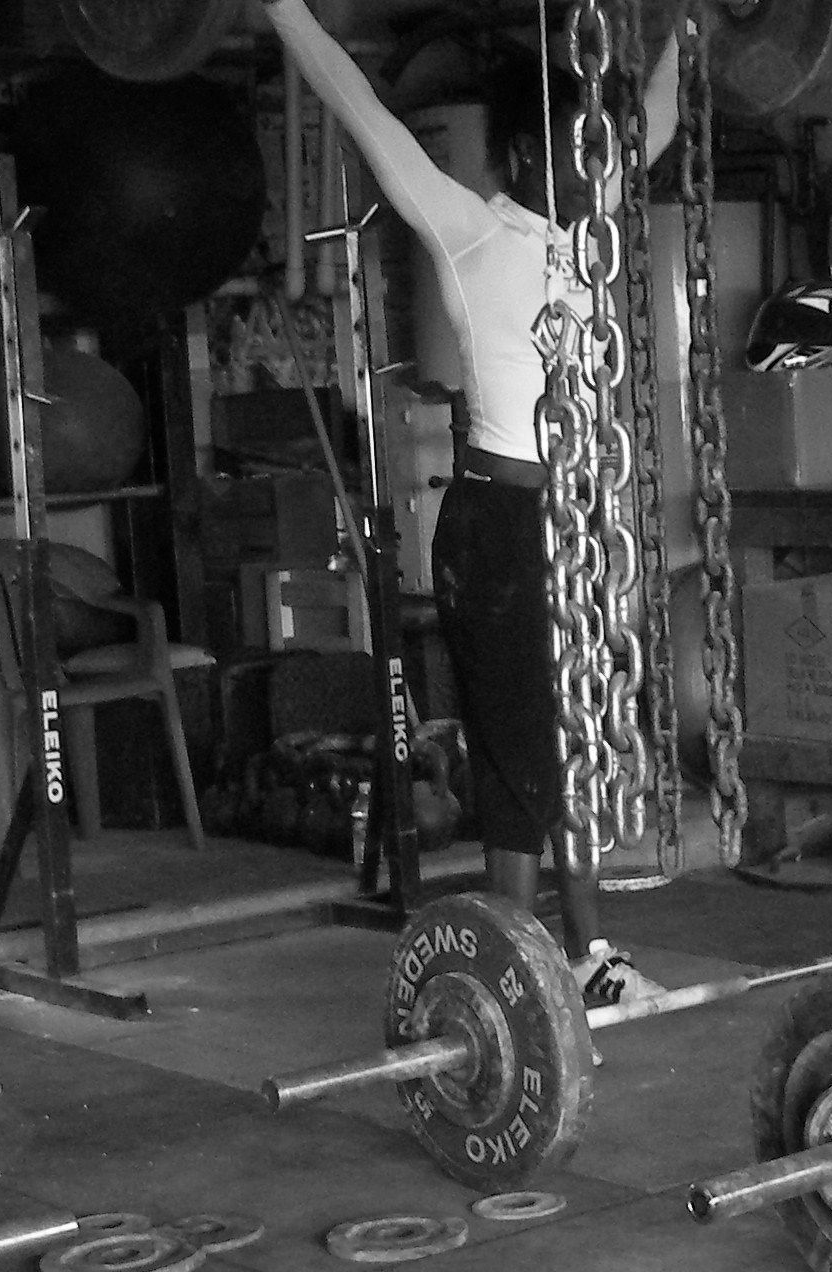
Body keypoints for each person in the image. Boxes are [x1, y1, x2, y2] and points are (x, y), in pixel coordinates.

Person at [264, 0, 679, 1007]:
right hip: (498, 526)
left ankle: (579, 957)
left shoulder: (587, 231)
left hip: (576, 526)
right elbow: (362, 109)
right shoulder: (468, 230)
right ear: (532, 153)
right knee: (520, 746)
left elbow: (658, 119)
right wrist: (285, 13)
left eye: (603, 150)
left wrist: (697, 27)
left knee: (574, 738)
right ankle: (529, 968)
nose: (602, 164)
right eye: (583, 149)